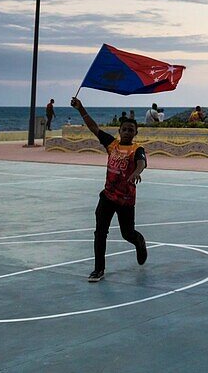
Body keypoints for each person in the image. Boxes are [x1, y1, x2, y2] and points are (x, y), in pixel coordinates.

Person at [71, 97, 147, 283]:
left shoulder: (137, 149)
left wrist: (136, 172)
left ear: (136, 132)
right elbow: (94, 128)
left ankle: (139, 241)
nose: (127, 132)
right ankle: (99, 269)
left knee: (127, 233)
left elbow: (141, 163)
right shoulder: (112, 144)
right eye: (124, 129)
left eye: (131, 130)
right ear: (119, 131)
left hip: (126, 199)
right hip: (107, 196)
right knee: (100, 232)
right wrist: (81, 108)